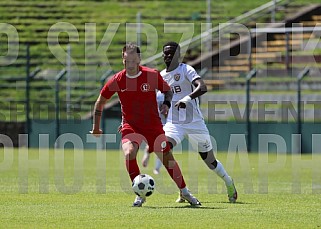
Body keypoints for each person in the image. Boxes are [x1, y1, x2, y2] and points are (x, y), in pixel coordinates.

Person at [90, 43, 201, 207]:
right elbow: (100, 102)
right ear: (123, 60)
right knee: (129, 153)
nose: (131, 64)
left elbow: (168, 91)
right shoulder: (117, 80)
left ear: (139, 59)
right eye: (128, 61)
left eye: (134, 60)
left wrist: (166, 104)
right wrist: (96, 127)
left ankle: (184, 192)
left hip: (152, 125)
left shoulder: (151, 75)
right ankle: (140, 194)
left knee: (167, 159)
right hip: (130, 126)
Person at [145, 41, 238, 203]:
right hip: (174, 124)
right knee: (163, 147)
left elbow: (202, 87)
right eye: (165, 53)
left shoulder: (186, 69)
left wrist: (186, 99)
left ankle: (229, 182)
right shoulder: (160, 76)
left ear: (178, 55)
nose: (168, 55)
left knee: (210, 162)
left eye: (171, 53)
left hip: (195, 123)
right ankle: (183, 190)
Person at [141, 91, 164, 175]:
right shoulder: (158, 95)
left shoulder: (173, 93)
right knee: (154, 144)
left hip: (168, 124)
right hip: (156, 122)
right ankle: (147, 151)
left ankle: (157, 168)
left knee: (163, 146)